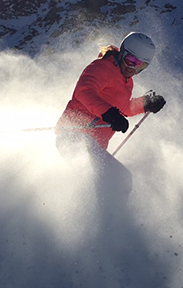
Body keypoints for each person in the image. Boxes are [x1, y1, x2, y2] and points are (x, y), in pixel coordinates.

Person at [56, 32, 166, 198]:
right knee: (116, 180)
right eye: (131, 60)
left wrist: (145, 103)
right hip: (73, 136)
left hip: (92, 143)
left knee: (119, 181)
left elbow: (123, 109)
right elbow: (84, 91)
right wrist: (108, 114)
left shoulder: (126, 81)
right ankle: (100, 219)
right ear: (122, 53)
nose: (133, 68)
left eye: (140, 65)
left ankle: (106, 218)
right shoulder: (102, 67)